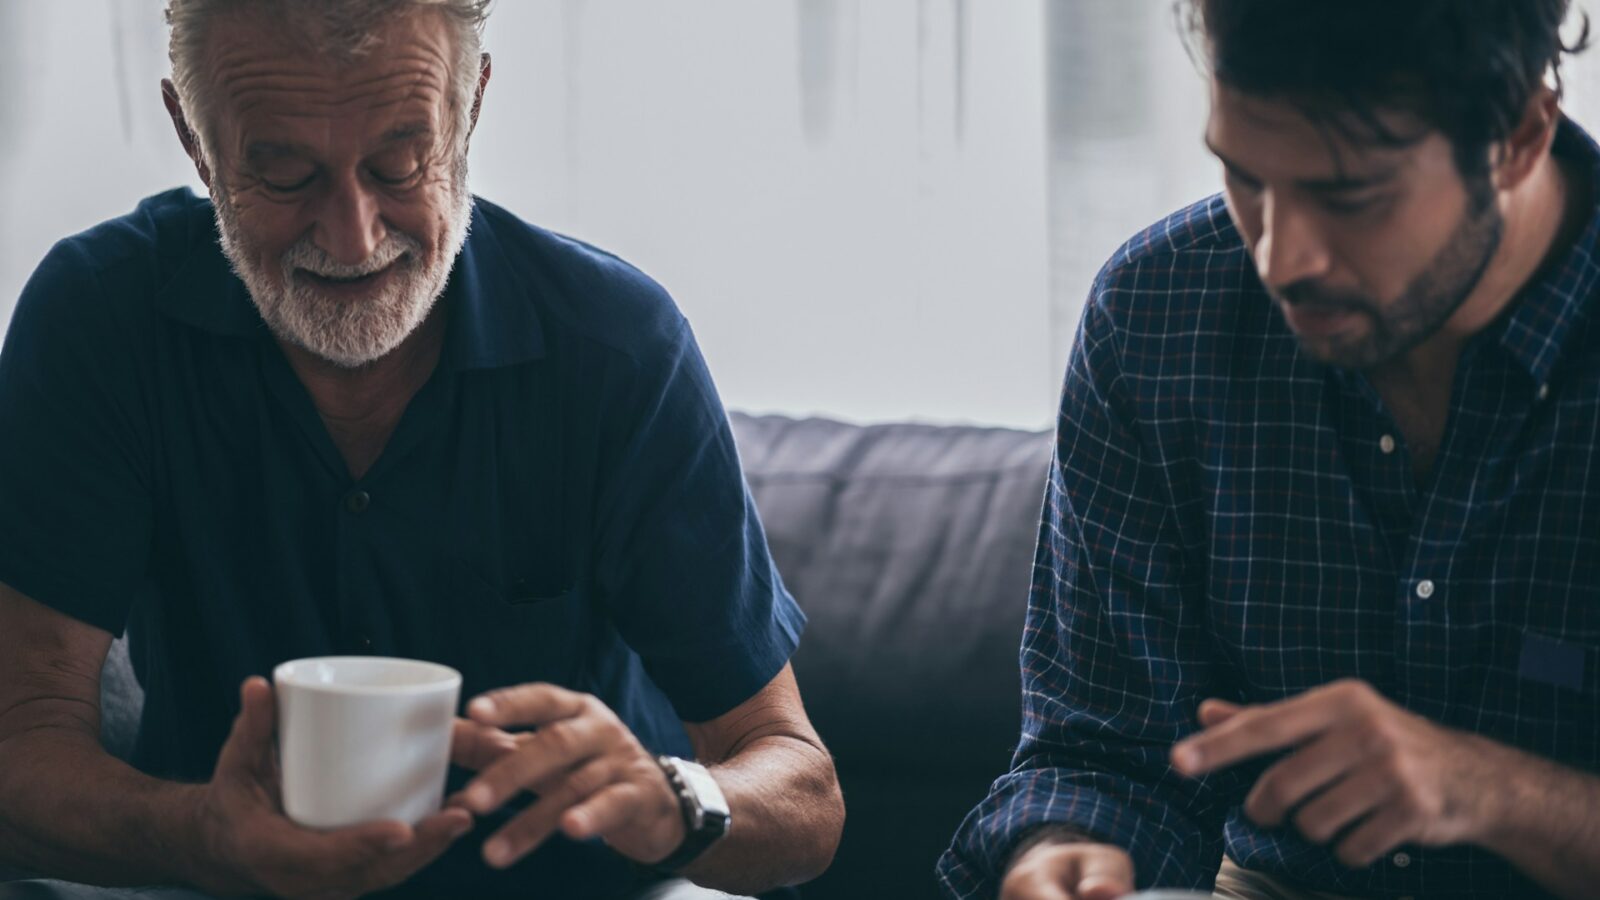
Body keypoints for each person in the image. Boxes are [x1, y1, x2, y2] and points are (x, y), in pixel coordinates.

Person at [0, 2, 843, 898]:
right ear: (193, 138)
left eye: (400, 161)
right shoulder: (102, 322)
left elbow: (803, 788)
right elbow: (20, 743)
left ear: (470, 106)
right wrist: (205, 837)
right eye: (284, 171)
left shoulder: (617, 346)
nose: (354, 235)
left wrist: (675, 801)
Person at [939, 1, 1600, 898]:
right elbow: (1100, 750)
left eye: (1349, 196)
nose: (1282, 257)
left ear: (1519, 135)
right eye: (1244, 178)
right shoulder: (1156, 314)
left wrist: (1491, 792)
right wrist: (1066, 853)